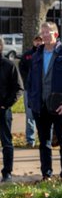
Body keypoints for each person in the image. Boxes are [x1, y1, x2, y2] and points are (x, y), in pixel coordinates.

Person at [27, 22, 62, 182]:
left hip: (60, 107)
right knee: (44, 143)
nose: (44, 35)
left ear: (55, 34)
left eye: (47, 32)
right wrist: (32, 102)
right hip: (40, 106)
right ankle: (46, 174)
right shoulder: (36, 56)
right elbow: (30, 82)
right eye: (42, 32)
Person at [0, 38, 23, 181]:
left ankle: (7, 172)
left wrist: (6, 104)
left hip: (2, 110)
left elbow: (19, 88)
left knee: (6, 142)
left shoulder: (9, 65)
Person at [19, 34, 42, 147]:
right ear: (33, 42)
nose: (38, 43)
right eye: (36, 40)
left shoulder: (46, 54)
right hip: (29, 89)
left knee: (44, 115)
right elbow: (21, 68)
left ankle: (44, 139)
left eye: (40, 41)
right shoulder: (27, 55)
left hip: (43, 90)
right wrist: (28, 79)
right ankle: (30, 140)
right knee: (30, 115)